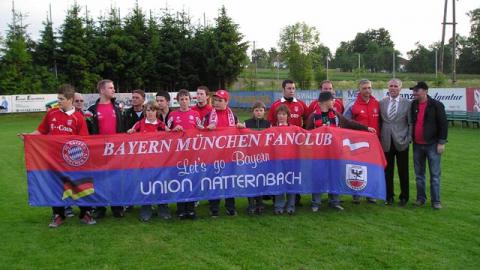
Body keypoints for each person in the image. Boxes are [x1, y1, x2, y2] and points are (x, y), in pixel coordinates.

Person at [18, 85, 96, 228]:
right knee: (55, 186)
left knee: (79, 185)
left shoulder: (79, 118)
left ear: (70, 100)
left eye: (61, 99)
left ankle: (85, 213)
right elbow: (41, 131)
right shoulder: (51, 113)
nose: (58, 101)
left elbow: (84, 141)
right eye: (58, 98)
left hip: (73, 160)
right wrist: (28, 136)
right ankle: (58, 215)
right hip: (53, 159)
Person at [306, 91, 375, 211]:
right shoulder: (313, 117)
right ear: (326, 101)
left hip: (334, 153)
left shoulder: (336, 115)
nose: (334, 102)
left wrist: (366, 128)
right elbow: (307, 134)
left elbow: (349, 123)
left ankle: (335, 201)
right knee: (318, 178)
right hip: (318, 155)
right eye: (332, 100)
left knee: (335, 176)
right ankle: (315, 203)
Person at [86, 79, 125, 219]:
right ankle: (100, 208)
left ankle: (117, 207)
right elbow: (88, 132)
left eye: (113, 87)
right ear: (102, 90)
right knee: (99, 180)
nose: (113, 90)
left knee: (116, 179)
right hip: (98, 152)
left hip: (116, 151)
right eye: (110, 88)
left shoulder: (118, 107)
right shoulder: (91, 110)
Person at [127, 101, 170, 221]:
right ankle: (146, 207)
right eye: (148, 110)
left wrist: (174, 130)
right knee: (145, 184)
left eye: (153, 110)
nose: (150, 113)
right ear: (145, 112)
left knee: (161, 184)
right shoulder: (140, 124)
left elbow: (170, 134)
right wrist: (130, 132)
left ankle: (163, 207)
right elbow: (131, 132)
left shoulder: (161, 124)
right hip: (144, 162)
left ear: (157, 112)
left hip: (159, 162)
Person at [268, 79, 308, 206]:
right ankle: (277, 197)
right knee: (279, 171)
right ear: (283, 89)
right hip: (279, 147)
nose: (292, 91)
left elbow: (307, 121)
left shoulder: (301, 104)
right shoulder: (275, 105)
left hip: (295, 147)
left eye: (293, 88)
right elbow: (270, 126)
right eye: (289, 88)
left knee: (294, 171)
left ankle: (295, 198)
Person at [204, 89, 244, 217]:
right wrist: (206, 130)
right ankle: (214, 208)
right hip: (214, 155)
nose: (216, 103)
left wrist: (240, 128)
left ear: (226, 101)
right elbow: (199, 134)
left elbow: (237, 133)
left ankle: (230, 207)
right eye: (215, 100)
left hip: (229, 155)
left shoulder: (233, 116)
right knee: (214, 181)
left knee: (229, 181)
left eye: (220, 100)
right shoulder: (208, 116)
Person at [410, 81, 448, 210]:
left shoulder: (436, 105)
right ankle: (421, 199)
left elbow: (443, 124)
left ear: (425, 91)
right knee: (419, 175)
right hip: (417, 145)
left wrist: (441, 142)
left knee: (435, 176)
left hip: (433, 145)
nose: (414, 93)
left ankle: (436, 201)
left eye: (416, 90)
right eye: (413, 91)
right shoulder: (413, 105)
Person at [167, 89, 203, 220]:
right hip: (178, 154)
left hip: (192, 153)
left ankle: (191, 209)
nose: (184, 101)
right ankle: (181, 209)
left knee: (191, 180)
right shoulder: (172, 115)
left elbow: (201, 130)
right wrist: (173, 130)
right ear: (177, 100)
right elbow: (165, 132)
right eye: (181, 99)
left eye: (186, 99)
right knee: (180, 180)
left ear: (190, 100)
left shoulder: (195, 114)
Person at [344, 79, 380, 204]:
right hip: (357, 144)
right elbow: (345, 123)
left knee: (372, 169)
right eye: (364, 88)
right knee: (357, 169)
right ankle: (356, 194)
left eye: (369, 88)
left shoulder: (376, 103)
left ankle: (371, 194)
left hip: (374, 144)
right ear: (359, 89)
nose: (367, 90)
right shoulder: (352, 104)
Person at [379, 79, 411, 206]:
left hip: (402, 141)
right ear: (388, 88)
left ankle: (404, 197)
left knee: (403, 171)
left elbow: (410, 123)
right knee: (387, 171)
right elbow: (380, 122)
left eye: (395, 86)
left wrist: (408, 139)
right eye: (391, 86)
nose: (393, 88)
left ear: (400, 88)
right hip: (386, 141)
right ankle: (389, 196)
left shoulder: (407, 103)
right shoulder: (382, 103)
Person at [244, 100, 271, 215]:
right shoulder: (246, 123)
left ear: (264, 112)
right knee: (250, 180)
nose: (259, 112)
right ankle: (251, 203)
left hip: (263, 157)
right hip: (250, 157)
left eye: (261, 110)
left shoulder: (268, 124)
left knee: (261, 180)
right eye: (256, 110)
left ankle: (260, 203)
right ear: (253, 111)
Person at [272, 104, 297, 215]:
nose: (281, 116)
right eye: (279, 114)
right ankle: (279, 206)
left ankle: (291, 205)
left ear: (288, 116)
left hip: (291, 160)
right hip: (277, 160)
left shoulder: (294, 129)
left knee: (291, 182)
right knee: (279, 182)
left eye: (283, 114)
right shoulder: (272, 129)